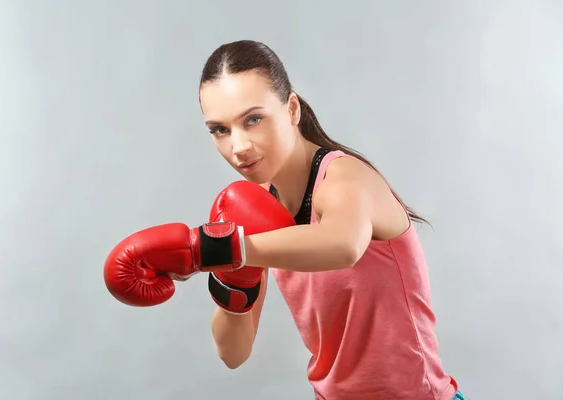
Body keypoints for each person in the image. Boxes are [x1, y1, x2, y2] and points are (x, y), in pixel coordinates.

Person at [102, 40, 465, 400]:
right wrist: (228, 271)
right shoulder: (257, 215)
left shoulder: (344, 179)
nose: (238, 146)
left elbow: (343, 245)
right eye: (220, 130)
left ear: (291, 108)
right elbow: (233, 353)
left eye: (253, 119)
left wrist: (210, 251)